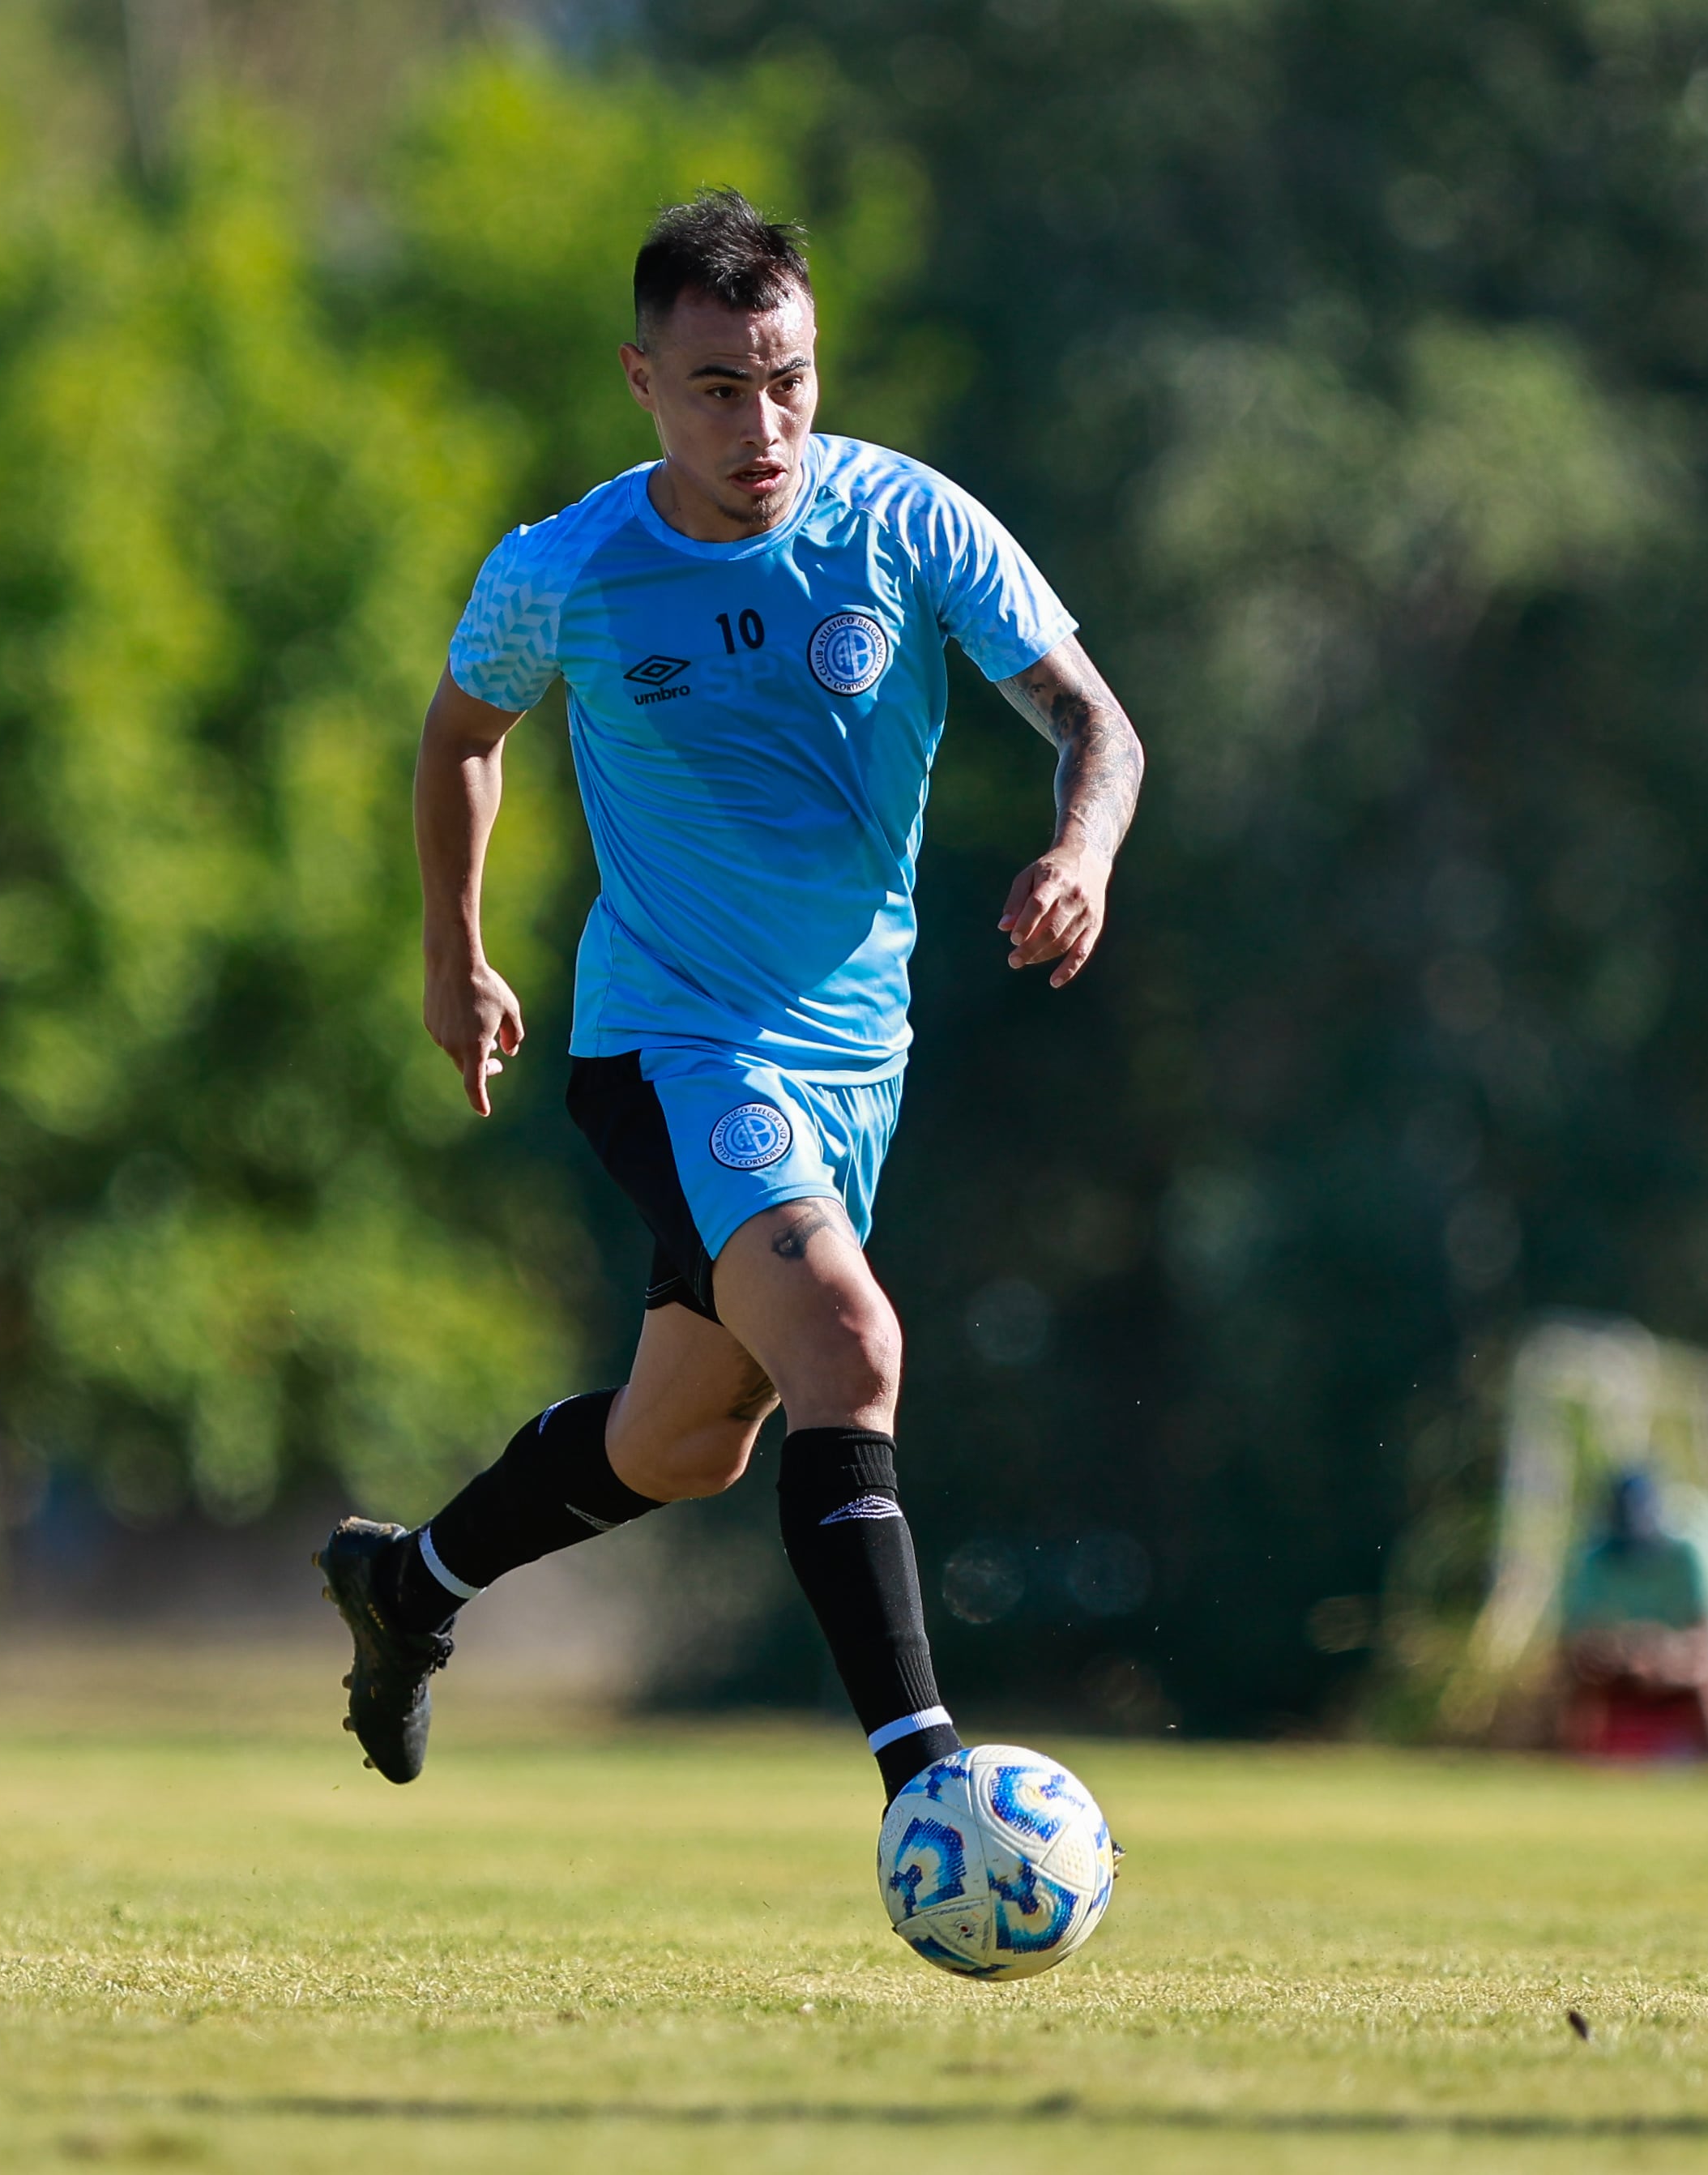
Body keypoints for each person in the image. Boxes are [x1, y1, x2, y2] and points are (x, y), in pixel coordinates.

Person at [317, 189, 1144, 1803]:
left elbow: (1092, 726)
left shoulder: (908, 526)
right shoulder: (566, 568)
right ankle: (928, 1785)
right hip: (667, 1040)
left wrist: (1081, 851)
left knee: (683, 1443)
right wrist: (452, 950)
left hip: (856, 1064)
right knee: (848, 1341)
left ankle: (407, 1584)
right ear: (640, 381)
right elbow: (460, 736)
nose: (760, 424)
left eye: (786, 378)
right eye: (715, 387)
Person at [1556, 1468, 1708, 1763]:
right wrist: (1620, 1650)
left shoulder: (1688, 1555)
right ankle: (1575, 1769)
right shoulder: (1596, 1558)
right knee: (1577, 1680)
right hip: (1619, 1668)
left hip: (1681, 1664)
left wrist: (1665, 1656)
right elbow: (1573, 1636)